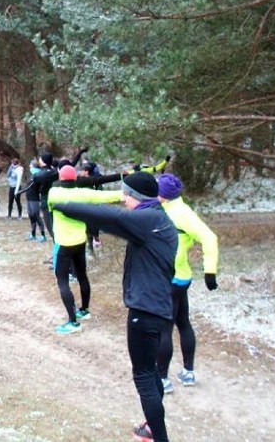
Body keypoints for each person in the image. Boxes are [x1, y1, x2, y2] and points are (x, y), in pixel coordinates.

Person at [51, 171, 177, 442]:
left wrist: (65, 206)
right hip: (160, 308)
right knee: (151, 373)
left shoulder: (146, 220)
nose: (123, 201)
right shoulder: (159, 218)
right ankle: (152, 427)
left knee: (143, 376)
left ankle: (159, 437)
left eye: (126, 196)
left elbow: (111, 219)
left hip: (145, 311)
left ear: (137, 198)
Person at [156, 173, 220, 394]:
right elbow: (208, 238)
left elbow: (210, 238)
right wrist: (209, 272)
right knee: (183, 322)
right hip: (183, 277)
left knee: (165, 328)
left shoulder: (169, 212)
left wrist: (210, 271)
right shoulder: (184, 210)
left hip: (168, 278)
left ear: (162, 195)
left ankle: (162, 379)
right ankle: (188, 372)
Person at [47, 165, 122, 334]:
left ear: (60, 178)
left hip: (63, 244)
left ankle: (73, 323)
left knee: (62, 281)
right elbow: (107, 196)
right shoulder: (84, 193)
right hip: (80, 242)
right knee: (82, 276)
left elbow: (51, 208)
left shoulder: (54, 193)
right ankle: (84, 310)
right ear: (75, 178)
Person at [23, 158, 47, 241]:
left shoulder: (38, 176)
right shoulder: (32, 175)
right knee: (31, 216)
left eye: (31, 165)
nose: (29, 167)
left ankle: (43, 235)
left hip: (34, 199)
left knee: (37, 217)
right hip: (29, 198)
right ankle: (33, 234)